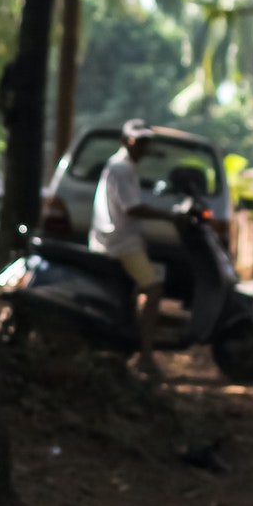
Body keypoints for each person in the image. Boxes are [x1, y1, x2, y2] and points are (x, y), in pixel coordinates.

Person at [88, 118, 171, 378]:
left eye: (145, 142)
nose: (142, 147)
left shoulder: (124, 166)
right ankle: (145, 355)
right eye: (138, 142)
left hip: (122, 240)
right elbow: (133, 208)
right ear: (126, 141)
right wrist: (170, 217)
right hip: (119, 243)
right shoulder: (121, 169)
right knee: (154, 290)